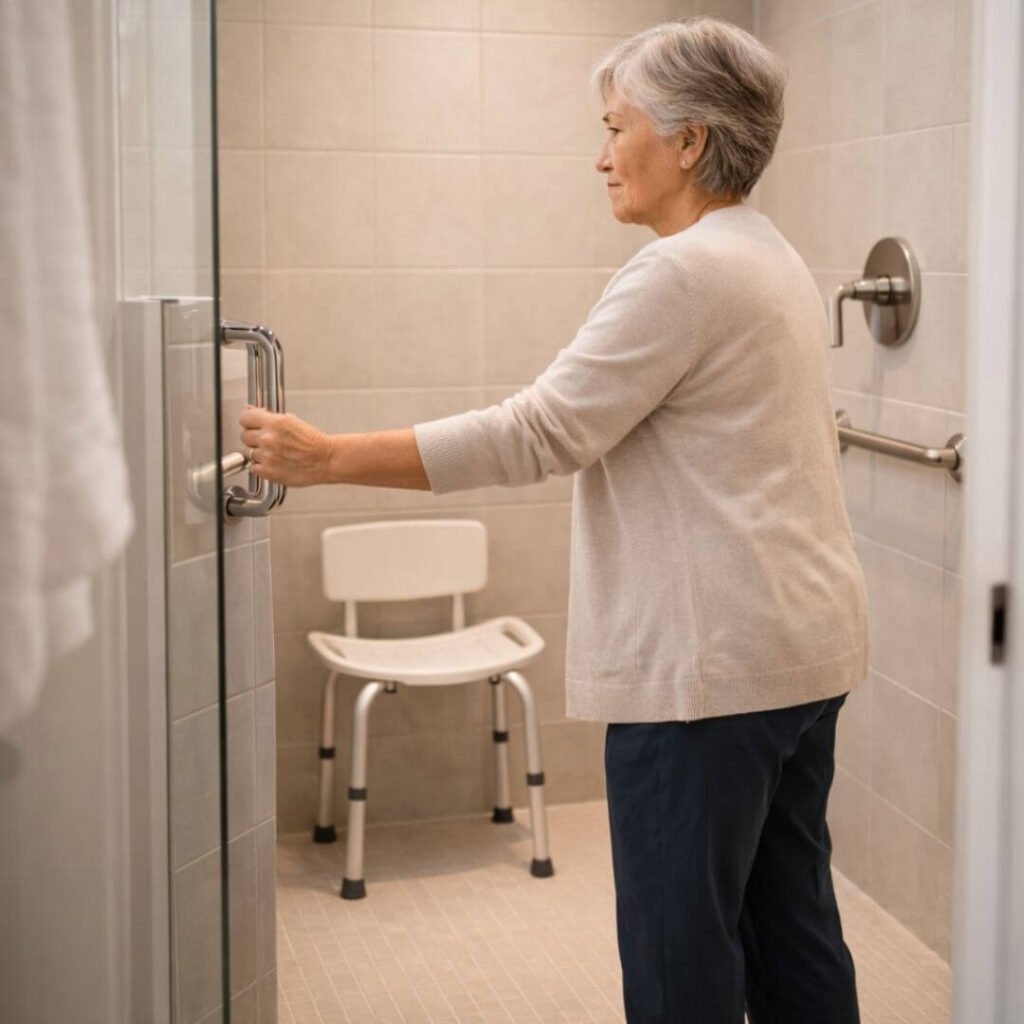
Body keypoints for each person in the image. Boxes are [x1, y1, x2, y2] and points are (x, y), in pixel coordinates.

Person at [239, 17, 867, 1024]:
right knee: (791, 928)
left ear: (690, 141)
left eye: (617, 127)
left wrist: (327, 458)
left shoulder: (681, 272)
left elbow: (536, 431)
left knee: (680, 962)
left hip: (702, 684)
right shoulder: (768, 254)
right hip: (796, 656)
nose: (601, 153)